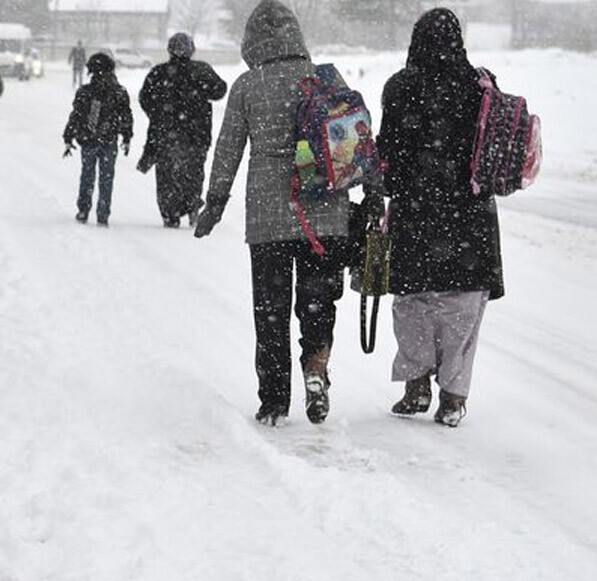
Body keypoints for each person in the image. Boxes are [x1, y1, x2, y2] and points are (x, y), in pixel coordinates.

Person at [194, 0, 352, 426]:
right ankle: (316, 368)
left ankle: (274, 400)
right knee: (318, 302)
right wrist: (370, 195)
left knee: (271, 309)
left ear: (252, 41)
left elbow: (228, 149)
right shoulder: (324, 78)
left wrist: (215, 201)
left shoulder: (248, 85)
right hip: (325, 212)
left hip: (269, 217)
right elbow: (353, 140)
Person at [377, 8, 504, 428]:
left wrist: (389, 186)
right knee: (464, 306)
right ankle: (453, 396)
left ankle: (415, 385)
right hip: (469, 216)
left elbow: (387, 154)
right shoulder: (481, 86)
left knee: (413, 300)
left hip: (417, 210)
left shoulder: (399, 88)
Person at [138, 32, 228, 228]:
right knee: (194, 172)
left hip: (165, 134)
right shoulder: (201, 70)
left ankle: (170, 213)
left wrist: (158, 114)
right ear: (191, 50)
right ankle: (192, 204)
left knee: (166, 175)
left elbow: (144, 98)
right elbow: (220, 90)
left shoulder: (159, 73)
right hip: (197, 134)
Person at [63, 52, 133, 227]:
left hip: (88, 140)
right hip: (109, 141)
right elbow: (126, 116)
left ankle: (83, 210)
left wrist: (69, 136)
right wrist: (126, 136)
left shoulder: (85, 92)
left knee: (87, 175)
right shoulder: (119, 92)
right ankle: (103, 213)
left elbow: (76, 116)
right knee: (106, 178)